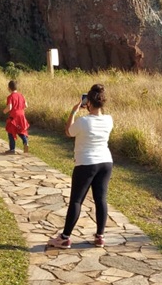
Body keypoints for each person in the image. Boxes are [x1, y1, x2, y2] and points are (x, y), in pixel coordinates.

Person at [47, 83, 113, 249]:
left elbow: (68, 132)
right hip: (105, 162)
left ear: (88, 102)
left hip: (86, 163)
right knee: (101, 199)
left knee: (76, 200)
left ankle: (65, 237)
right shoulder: (109, 120)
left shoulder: (83, 121)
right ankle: (100, 236)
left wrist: (74, 111)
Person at [3, 79, 29, 154]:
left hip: (14, 116)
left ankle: (12, 149)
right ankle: (25, 142)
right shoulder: (21, 95)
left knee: (11, 131)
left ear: (9, 88)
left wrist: (4, 111)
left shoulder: (10, 97)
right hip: (22, 115)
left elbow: (10, 107)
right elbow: (26, 105)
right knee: (21, 130)